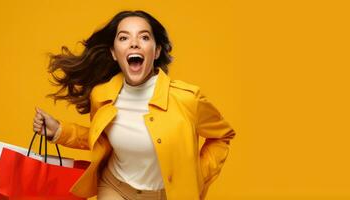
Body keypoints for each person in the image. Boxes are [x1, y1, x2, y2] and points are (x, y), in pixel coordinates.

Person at [32, 10, 236, 200]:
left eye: (144, 37)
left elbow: (222, 136)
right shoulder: (102, 95)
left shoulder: (187, 99)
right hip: (114, 187)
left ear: (156, 52)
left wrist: (197, 177)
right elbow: (101, 138)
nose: (134, 43)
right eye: (124, 37)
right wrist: (59, 130)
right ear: (114, 52)